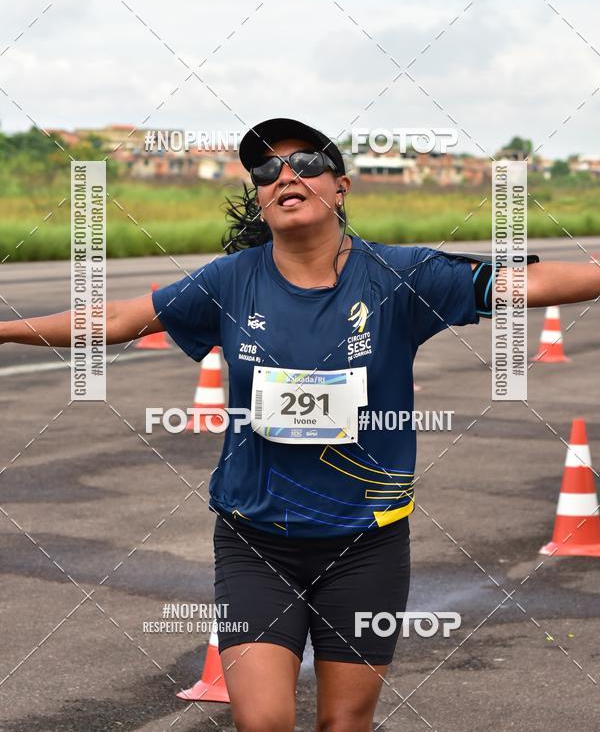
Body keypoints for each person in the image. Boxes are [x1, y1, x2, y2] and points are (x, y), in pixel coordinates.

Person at [1, 117, 598, 732]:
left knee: (343, 724)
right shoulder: (232, 280)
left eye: (306, 163)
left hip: (366, 543)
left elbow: (523, 281)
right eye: (266, 171)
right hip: (255, 540)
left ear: (340, 186)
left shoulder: (399, 276)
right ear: (259, 198)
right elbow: (121, 316)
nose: (285, 176)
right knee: (262, 723)